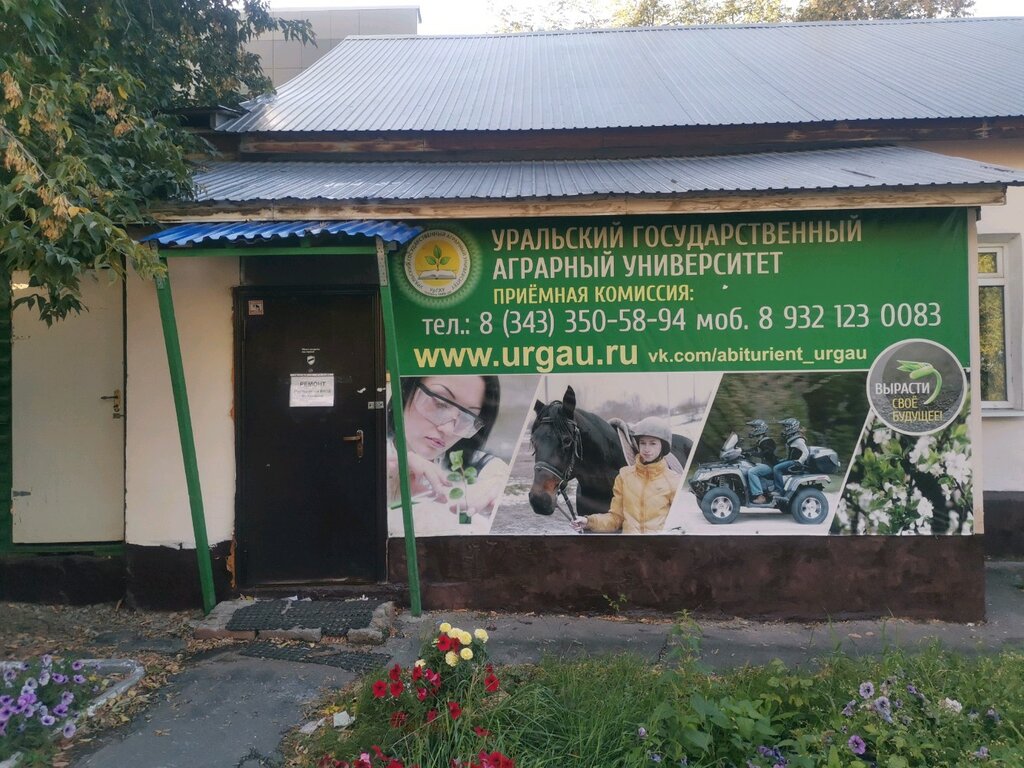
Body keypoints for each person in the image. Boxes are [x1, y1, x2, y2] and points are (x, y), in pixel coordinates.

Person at [387, 375, 507, 520]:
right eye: (440, 404)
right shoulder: (369, 455)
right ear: (405, 391)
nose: (449, 430)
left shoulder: (485, 471)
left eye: (468, 417)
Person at [570, 416, 681, 534]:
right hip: (629, 544)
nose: (647, 449)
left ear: (663, 446)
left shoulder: (674, 481)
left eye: (653, 443)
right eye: (643, 443)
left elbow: (679, 522)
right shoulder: (624, 476)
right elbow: (615, 519)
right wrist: (588, 521)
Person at [773, 417, 809, 495]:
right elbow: (791, 454)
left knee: (776, 468)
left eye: (786, 427)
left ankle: (779, 490)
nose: (784, 429)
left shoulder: (798, 440)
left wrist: (799, 461)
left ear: (792, 427)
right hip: (791, 460)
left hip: (795, 462)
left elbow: (806, 452)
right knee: (775, 463)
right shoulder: (792, 439)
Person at [744, 419, 778, 504]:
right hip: (764, 465)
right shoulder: (761, 441)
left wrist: (752, 454)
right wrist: (742, 451)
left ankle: (759, 496)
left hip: (770, 465)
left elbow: (766, 452)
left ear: (760, 428)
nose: (752, 430)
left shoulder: (768, 441)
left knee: (752, 472)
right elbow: (753, 450)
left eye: (754, 428)